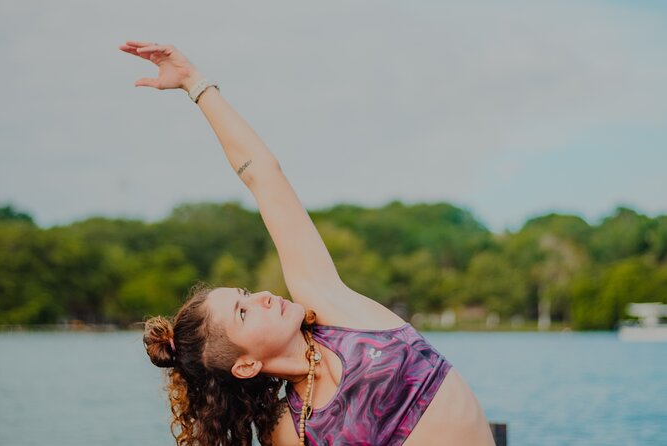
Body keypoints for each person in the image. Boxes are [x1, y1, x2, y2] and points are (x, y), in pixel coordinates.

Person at [120, 40, 496, 446]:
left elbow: (262, 175)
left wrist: (196, 84)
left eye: (245, 293)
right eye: (243, 312)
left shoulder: (334, 310)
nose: (263, 296)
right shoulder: (286, 430)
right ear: (245, 365)